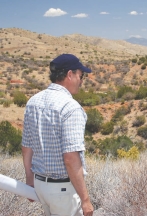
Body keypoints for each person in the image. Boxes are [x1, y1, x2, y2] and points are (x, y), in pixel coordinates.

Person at [22, 54, 94, 216]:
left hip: (40, 185)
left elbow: (27, 147)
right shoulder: (70, 108)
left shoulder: (33, 101)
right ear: (70, 74)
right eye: (81, 76)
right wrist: (85, 199)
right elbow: (70, 157)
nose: (82, 81)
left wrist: (29, 179)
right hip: (63, 190)